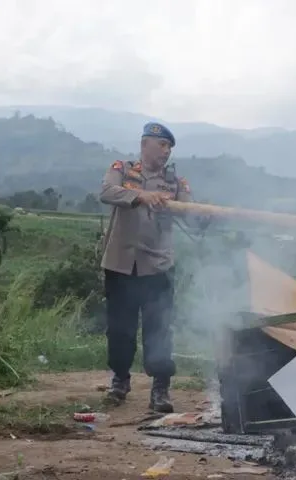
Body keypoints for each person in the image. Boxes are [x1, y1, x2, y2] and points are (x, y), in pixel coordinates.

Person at [99, 122, 192, 413]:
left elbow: (190, 212)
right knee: (120, 329)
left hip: (158, 267)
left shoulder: (176, 182)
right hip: (121, 265)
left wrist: (196, 213)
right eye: (162, 145)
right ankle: (120, 380)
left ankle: (160, 389)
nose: (166, 151)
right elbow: (106, 191)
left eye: (169, 147)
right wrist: (140, 196)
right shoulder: (123, 170)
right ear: (144, 145)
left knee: (159, 329)